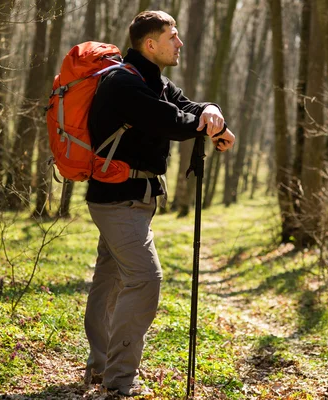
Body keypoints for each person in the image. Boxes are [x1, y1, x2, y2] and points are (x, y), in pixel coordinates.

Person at [83, 10, 235, 396]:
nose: (179, 43)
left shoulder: (154, 80)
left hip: (133, 199)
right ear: (150, 44)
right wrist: (204, 120)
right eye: (173, 36)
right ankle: (119, 380)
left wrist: (210, 109)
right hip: (118, 200)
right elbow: (173, 121)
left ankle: (101, 368)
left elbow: (188, 106)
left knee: (110, 279)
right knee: (146, 280)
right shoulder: (123, 83)